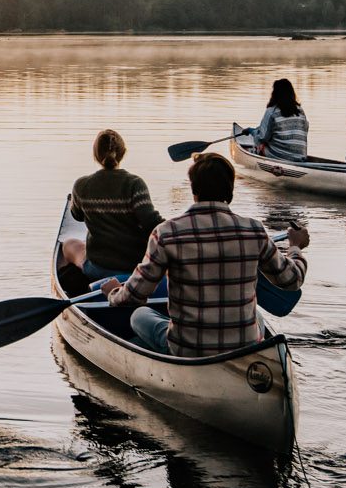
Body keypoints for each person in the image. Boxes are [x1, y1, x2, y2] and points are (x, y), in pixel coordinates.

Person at [103, 152, 308, 356]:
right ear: (230, 190)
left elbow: (134, 296)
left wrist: (114, 293)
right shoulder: (254, 231)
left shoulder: (166, 233)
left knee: (138, 315)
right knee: (257, 315)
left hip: (188, 349)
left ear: (194, 189)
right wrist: (295, 247)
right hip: (245, 347)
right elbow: (292, 280)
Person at [62, 130, 164, 282]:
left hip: (98, 268)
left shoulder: (81, 185)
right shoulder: (135, 183)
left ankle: (76, 283)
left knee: (68, 244)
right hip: (136, 268)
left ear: (95, 155)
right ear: (123, 153)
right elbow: (153, 224)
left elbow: (77, 216)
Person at [252, 78, 308, 161]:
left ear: (274, 94)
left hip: (279, 156)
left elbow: (262, 138)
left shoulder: (271, 111)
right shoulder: (300, 111)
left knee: (260, 144)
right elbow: (304, 130)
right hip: (300, 157)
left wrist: (252, 132)